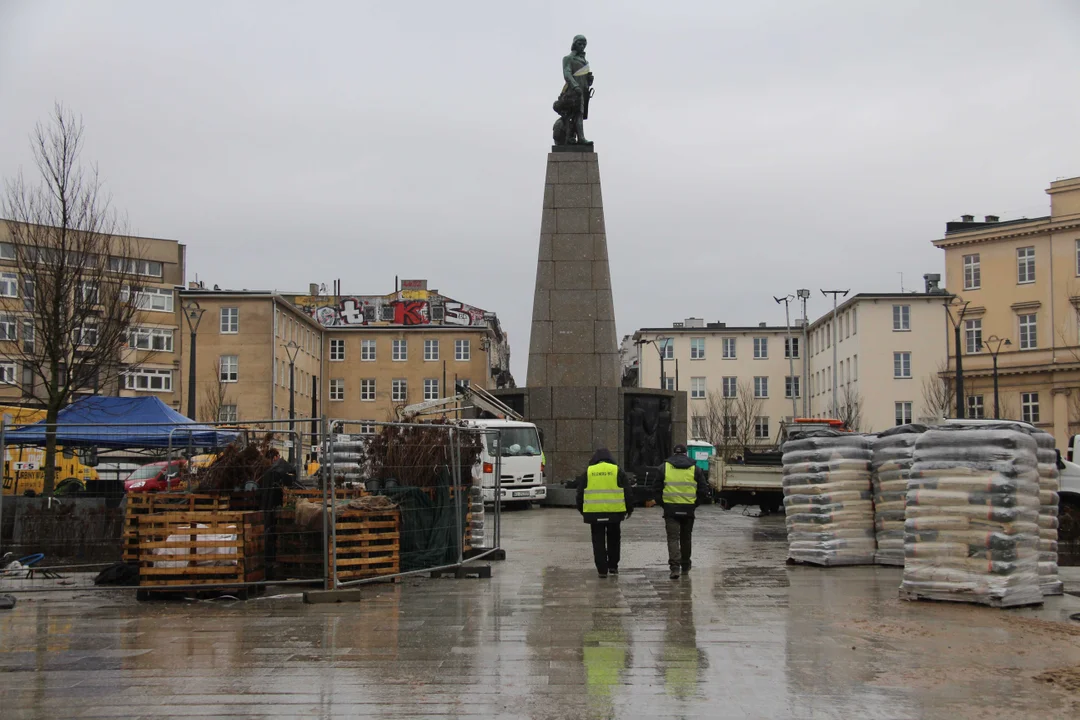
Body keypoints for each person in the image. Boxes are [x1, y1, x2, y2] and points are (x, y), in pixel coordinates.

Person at [576, 448, 633, 578]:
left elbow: (580, 493)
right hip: (614, 513)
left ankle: (602, 569)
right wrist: (629, 509)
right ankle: (613, 566)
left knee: (598, 541)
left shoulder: (589, 472)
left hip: (594, 513)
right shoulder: (617, 470)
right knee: (614, 539)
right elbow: (627, 492)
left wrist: (582, 510)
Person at [660, 444, 709, 580]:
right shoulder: (695, 469)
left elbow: (656, 488)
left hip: (671, 508)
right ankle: (685, 565)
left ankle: (675, 568)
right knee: (686, 538)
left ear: (674, 453)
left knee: (673, 538)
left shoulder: (664, 467)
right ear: (686, 454)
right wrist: (694, 504)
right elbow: (703, 490)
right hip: (688, 509)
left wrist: (664, 504)